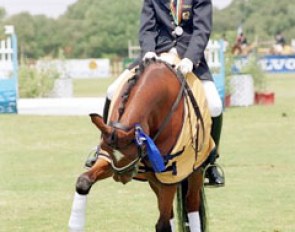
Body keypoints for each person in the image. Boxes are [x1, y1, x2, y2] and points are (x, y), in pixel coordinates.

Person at [87, 0, 224, 187]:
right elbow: (147, 27)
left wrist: (191, 58)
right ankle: (104, 147)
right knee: (112, 90)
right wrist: (148, 50)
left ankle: (210, 162)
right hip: (155, 55)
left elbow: (202, 30)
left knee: (215, 105)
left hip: (187, 59)